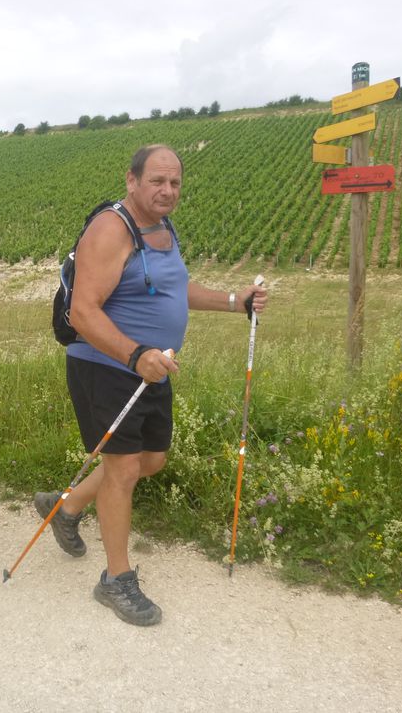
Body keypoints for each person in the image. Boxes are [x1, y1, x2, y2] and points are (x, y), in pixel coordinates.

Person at [34, 144, 267, 626]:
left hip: (153, 367)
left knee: (151, 460)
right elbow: (82, 311)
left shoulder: (162, 229)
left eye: (175, 183)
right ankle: (116, 580)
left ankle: (68, 506)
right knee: (121, 471)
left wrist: (233, 300)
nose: (167, 191)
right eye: (157, 181)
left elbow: (175, 288)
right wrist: (135, 354)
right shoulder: (111, 229)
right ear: (132, 181)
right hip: (107, 366)